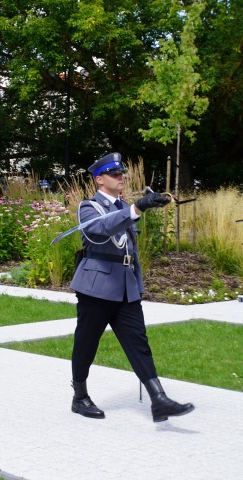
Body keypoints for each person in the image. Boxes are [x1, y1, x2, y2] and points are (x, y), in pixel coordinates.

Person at [69, 152, 195, 422]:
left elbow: (130, 249)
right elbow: (99, 230)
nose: (121, 177)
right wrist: (137, 208)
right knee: (87, 342)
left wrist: (138, 284)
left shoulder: (123, 206)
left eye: (122, 173)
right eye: (115, 174)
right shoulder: (88, 206)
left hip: (125, 286)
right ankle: (79, 397)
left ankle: (159, 399)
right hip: (97, 287)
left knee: (139, 342)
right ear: (100, 180)